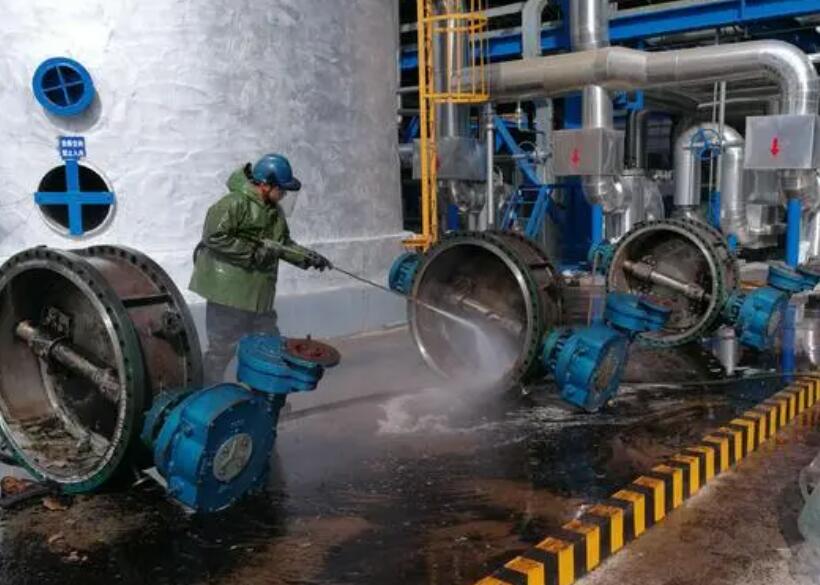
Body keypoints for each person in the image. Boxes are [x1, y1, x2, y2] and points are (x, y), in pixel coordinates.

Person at [190, 153, 332, 384]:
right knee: (222, 349)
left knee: (269, 344)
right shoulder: (234, 203)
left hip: (258, 296)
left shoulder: (274, 211)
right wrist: (252, 252)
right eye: (281, 189)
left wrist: (308, 258)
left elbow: (281, 244)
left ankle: (263, 395)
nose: (284, 194)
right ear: (265, 185)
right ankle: (207, 392)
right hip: (228, 294)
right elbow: (214, 237)